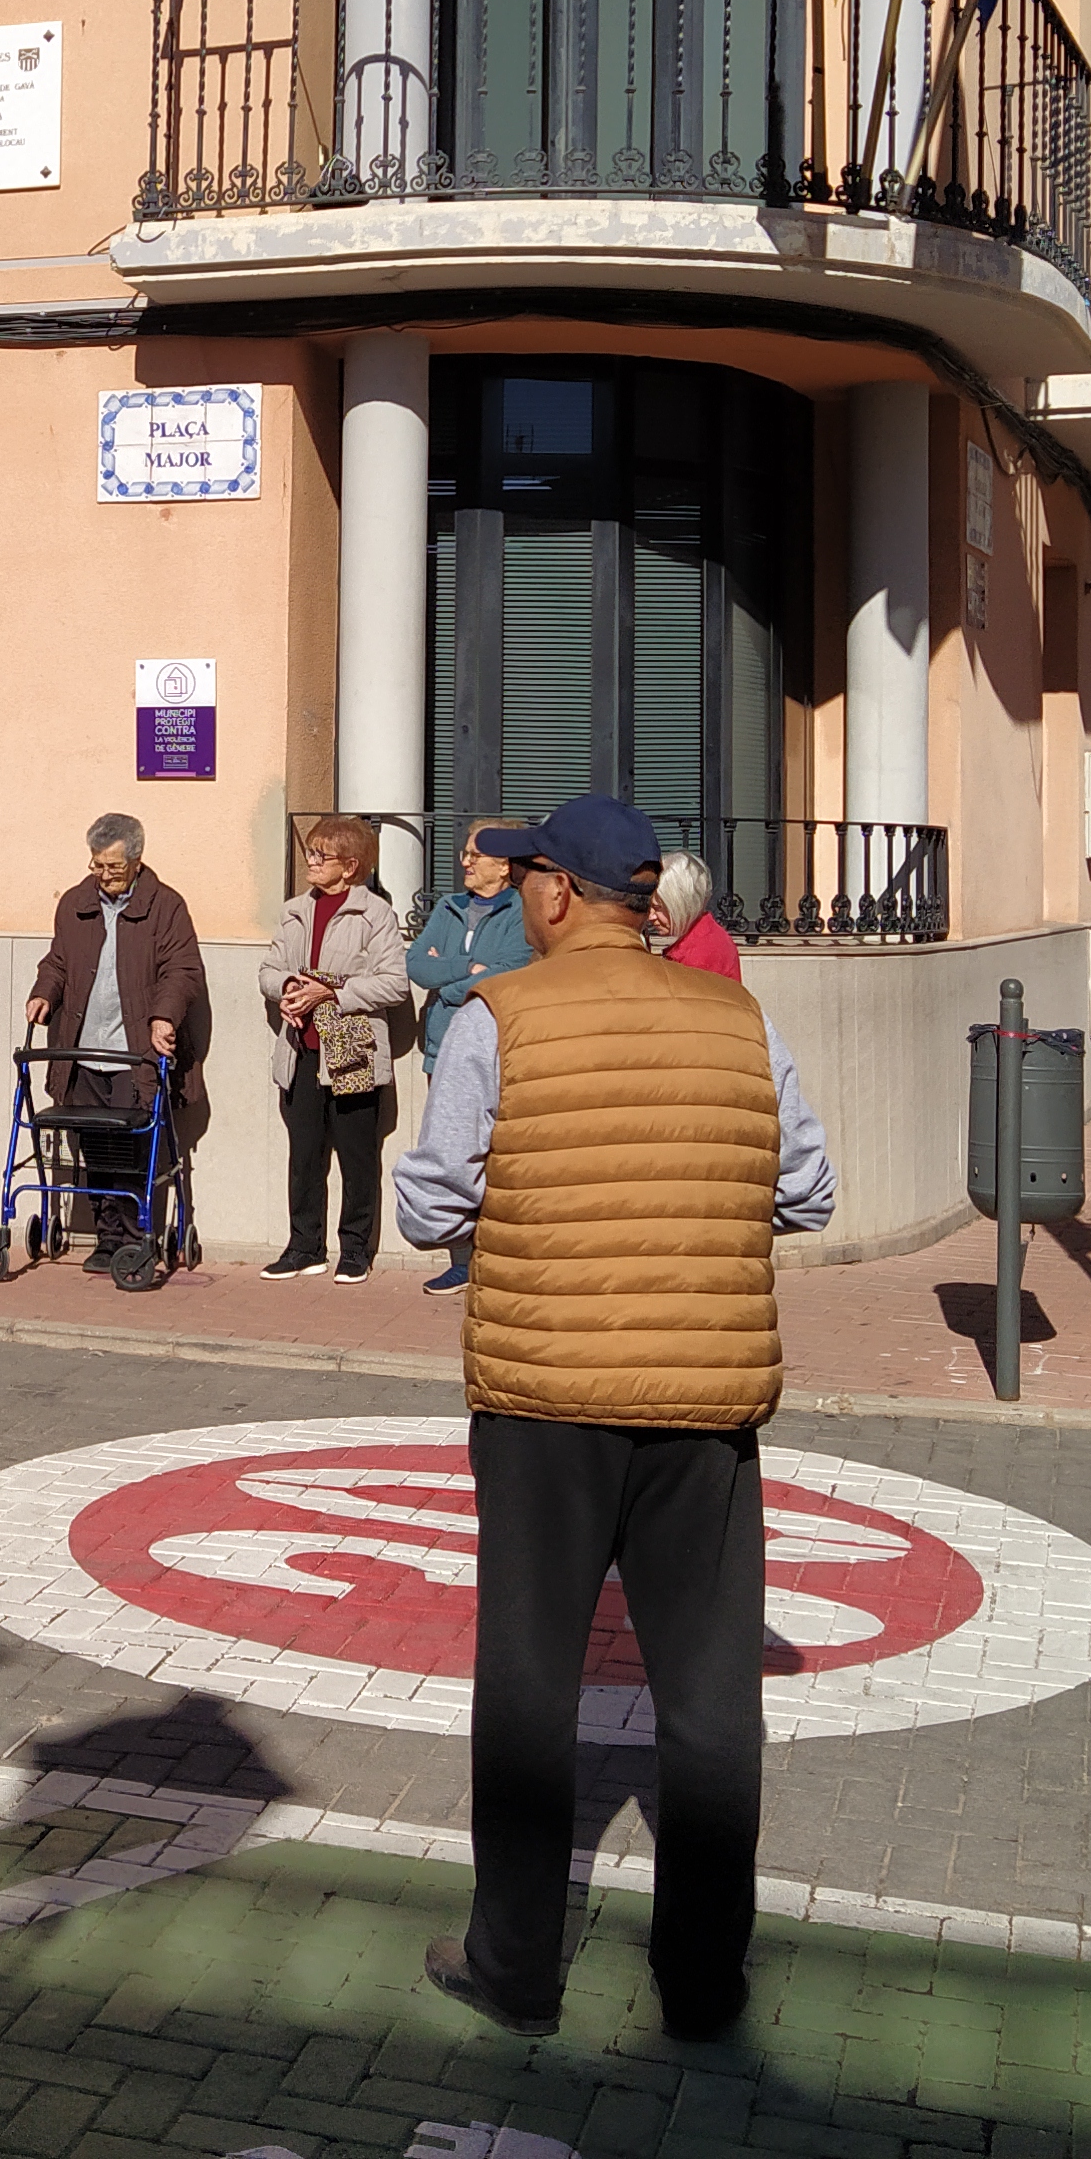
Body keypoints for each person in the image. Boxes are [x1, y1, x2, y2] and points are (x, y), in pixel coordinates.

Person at [391, 795, 835, 2046]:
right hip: (706, 1399)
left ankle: (516, 1966)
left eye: (527, 876)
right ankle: (702, 1984)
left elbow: (430, 1210)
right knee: (708, 1698)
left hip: (546, 1395)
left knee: (530, 1682)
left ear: (552, 892)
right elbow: (805, 1189)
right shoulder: (737, 1017)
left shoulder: (500, 1019)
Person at [23, 814, 210, 1278]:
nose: (103, 876)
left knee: (129, 1146)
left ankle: (133, 1236)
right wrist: (43, 991)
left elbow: (183, 971)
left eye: (113, 867)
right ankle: (108, 1238)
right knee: (95, 1146)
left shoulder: (166, 906)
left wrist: (163, 1016)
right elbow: (59, 961)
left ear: (137, 861)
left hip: (133, 1052)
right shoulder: (74, 903)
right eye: (96, 866)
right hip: (82, 1050)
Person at [258, 818, 412, 1281]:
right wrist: (286, 988)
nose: (311, 861)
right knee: (304, 1155)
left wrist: (331, 993)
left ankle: (355, 1250)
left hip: (352, 1052)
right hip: (301, 1050)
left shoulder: (376, 914)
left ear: (350, 866)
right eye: (311, 852)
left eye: (321, 856)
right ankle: (304, 1247)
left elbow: (394, 984)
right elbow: (268, 969)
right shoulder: (293, 911)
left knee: (356, 1155)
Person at [405, 826, 530, 1298]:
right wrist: (469, 968)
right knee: (453, 1155)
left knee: (498, 1156)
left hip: (496, 1047)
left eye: (476, 855)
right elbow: (417, 966)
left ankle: (501, 1256)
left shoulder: (522, 911)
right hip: (442, 1047)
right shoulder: (448, 906)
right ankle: (461, 1259)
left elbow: (511, 972)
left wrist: (451, 982)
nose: (465, 862)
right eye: (465, 853)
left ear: (504, 865)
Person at [646, 850, 746, 983]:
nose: (650, 916)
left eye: (658, 908)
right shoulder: (709, 936)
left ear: (682, 905)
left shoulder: (698, 954)